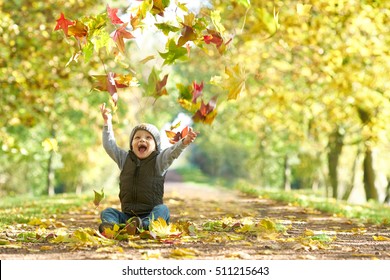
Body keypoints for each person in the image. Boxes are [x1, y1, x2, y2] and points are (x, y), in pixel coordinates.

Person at [98, 103, 198, 236]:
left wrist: (183, 143)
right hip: (128, 217)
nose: (142, 140)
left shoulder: (159, 161)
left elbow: (172, 152)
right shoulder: (124, 159)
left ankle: (143, 225)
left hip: (151, 214)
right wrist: (107, 123)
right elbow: (109, 146)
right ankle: (115, 226)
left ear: (156, 146)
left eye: (148, 138)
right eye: (137, 137)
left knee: (163, 210)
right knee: (108, 212)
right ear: (132, 144)